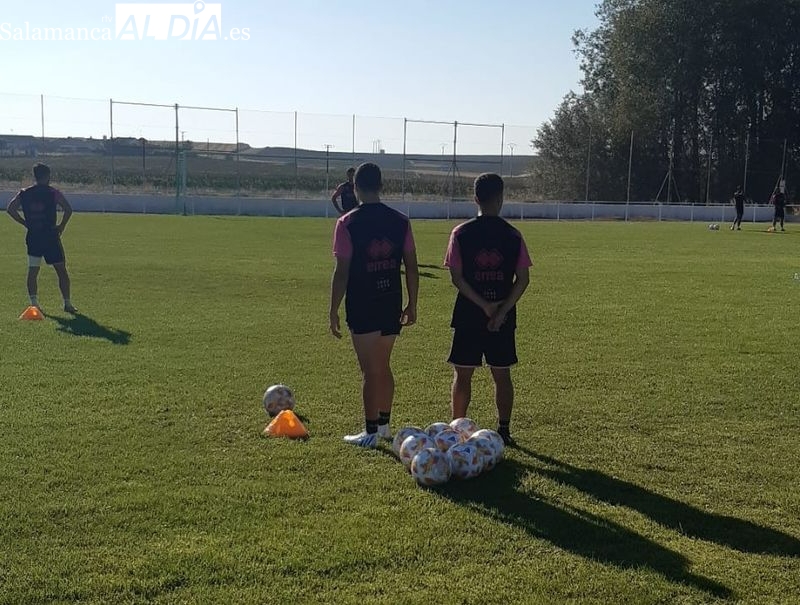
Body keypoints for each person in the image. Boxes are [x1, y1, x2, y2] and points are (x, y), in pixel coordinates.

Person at [329, 162, 419, 448]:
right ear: (382, 186)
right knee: (383, 365)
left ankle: (370, 432)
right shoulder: (400, 220)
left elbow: (341, 271)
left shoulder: (347, 223)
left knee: (370, 370)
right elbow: (412, 266)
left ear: (355, 189)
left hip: (363, 302)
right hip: (390, 299)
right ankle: (384, 426)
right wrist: (412, 303)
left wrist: (333, 310)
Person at [444, 173, 532, 446]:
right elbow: (523, 279)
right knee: (502, 373)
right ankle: (504, 430)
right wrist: (502, 310)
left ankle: (456, 430)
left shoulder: (461, 232)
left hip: (469, 313)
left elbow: (456, 277)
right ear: (501, 199)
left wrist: (483, 305)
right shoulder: (513, 235)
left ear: (475, 198)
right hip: (502, 317)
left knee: (463, 373)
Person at [6, 163, 78, 313]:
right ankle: (67, 304)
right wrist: (61, 226)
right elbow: (68, 209)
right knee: (61, 270)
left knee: (33, 270)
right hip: (50, 236)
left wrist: (24, 223)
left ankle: (34, 304)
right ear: (47, 176)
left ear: (35, 176)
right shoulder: (53, 193)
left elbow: (11, 208)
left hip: (33, 236)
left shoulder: (24, 193)